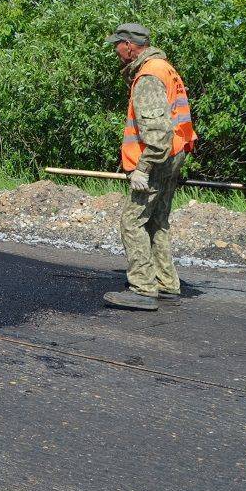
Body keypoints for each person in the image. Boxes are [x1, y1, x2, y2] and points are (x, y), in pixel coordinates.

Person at [103, 22, 197, 311]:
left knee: (132, 222)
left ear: (129, 45)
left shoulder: (148, 77)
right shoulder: (166, 68)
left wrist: (143, 168)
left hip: (157, 159)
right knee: (157, 221)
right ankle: (166, 283)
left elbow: (157, 133)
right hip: (173, 156)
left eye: (117, 45)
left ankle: (143, 288)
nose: (116, 50)